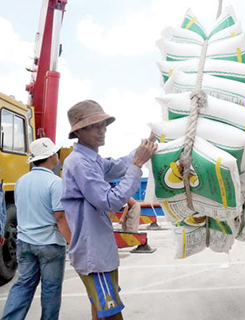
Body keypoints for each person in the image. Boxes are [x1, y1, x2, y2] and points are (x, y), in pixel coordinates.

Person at [61, 100, 157, 320]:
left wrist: (148, 143)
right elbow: (110, 201)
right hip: (94, 255)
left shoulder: (91, 159)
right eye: (94, 126)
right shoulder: (80, 163)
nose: (102, 130)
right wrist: (137, 165)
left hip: (99, 253)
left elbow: (118, 165)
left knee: (100, 308)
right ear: (79, 131)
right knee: (112, 313)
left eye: (104, 125)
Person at [2, 138, 71, 320]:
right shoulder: (56, 182)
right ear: (50, 156)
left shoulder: (21, 181)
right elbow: (60, 217)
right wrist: (72, 242)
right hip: (49, 243)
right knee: (51, 289)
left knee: (23, 284)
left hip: (24, 243)